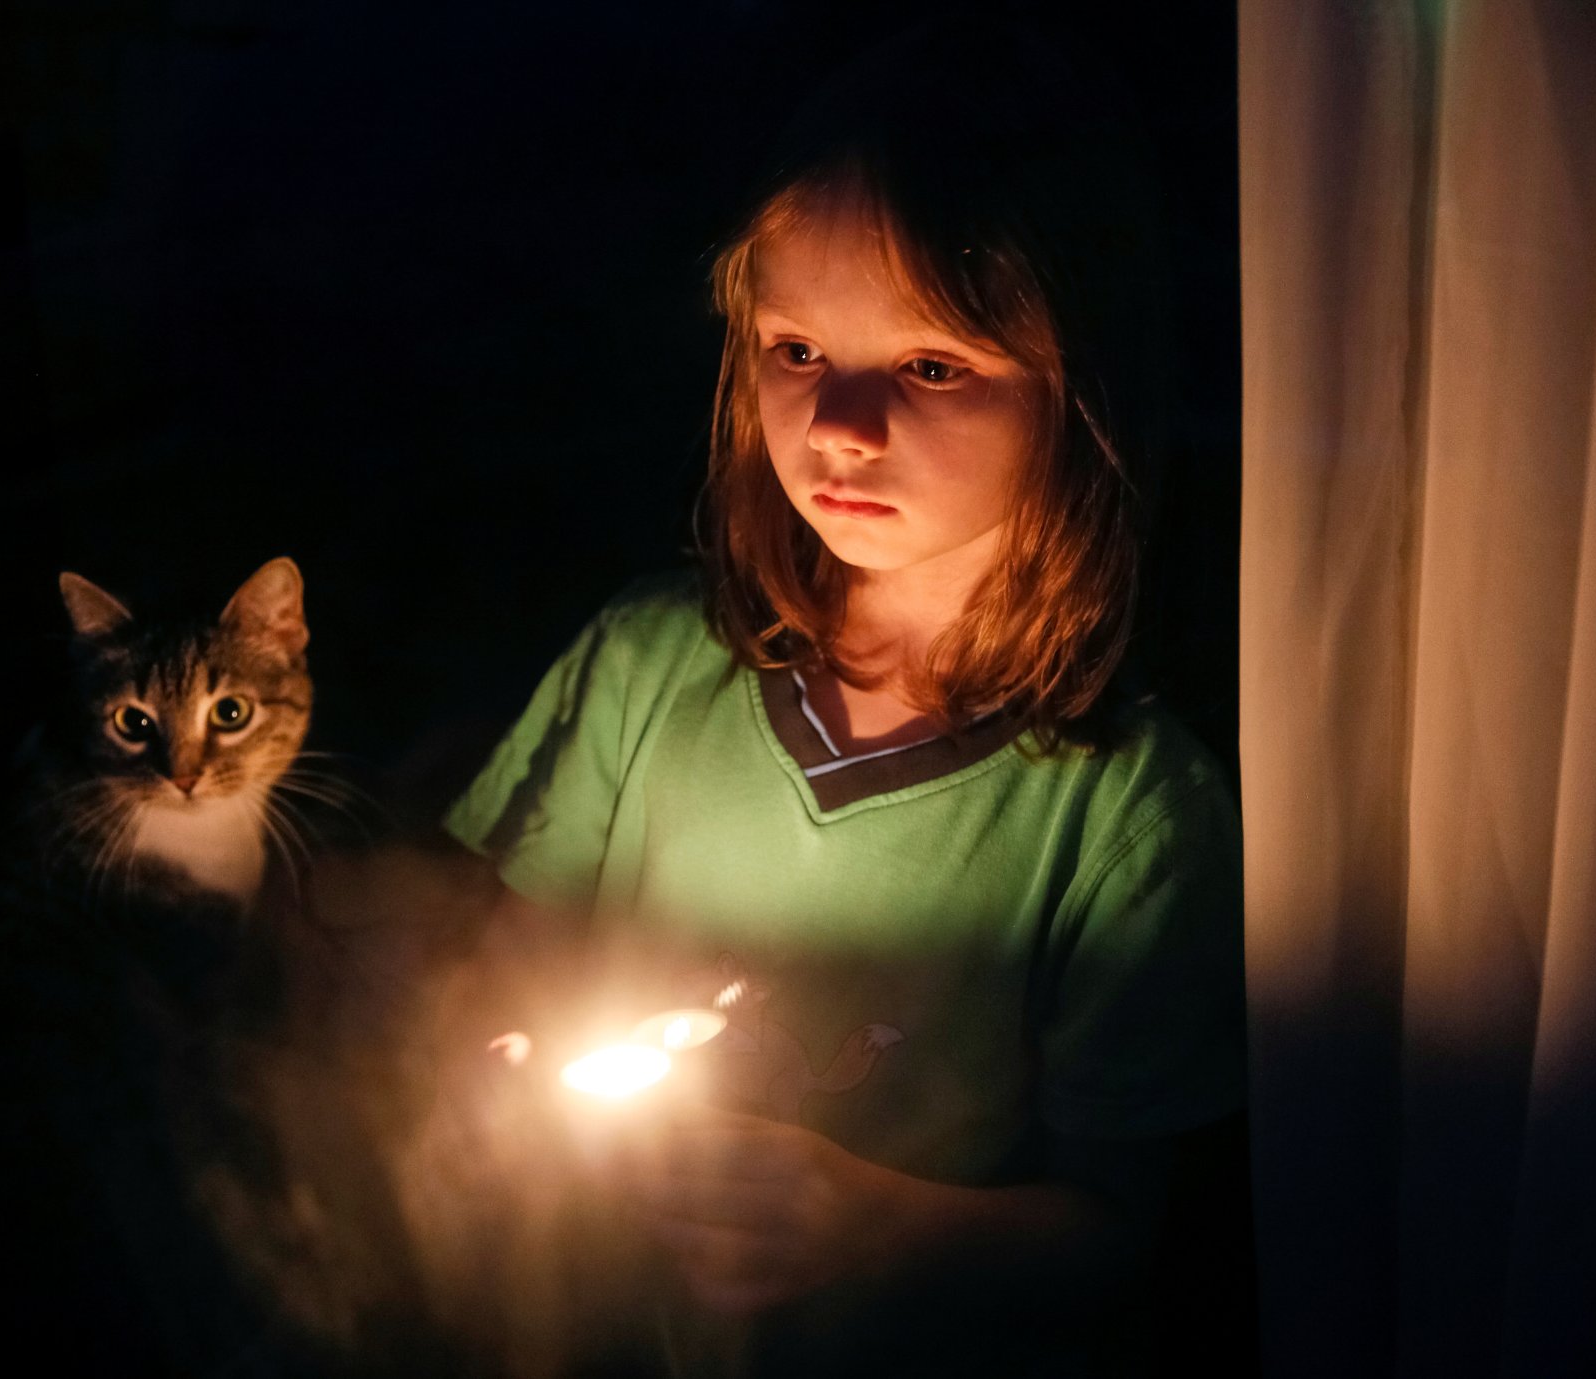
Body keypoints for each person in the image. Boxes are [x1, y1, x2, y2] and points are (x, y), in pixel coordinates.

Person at [442, 23, 1244, 1376]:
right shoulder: (647, 667)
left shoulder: (1133, 816)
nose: (838, 426)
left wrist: (874, 1227)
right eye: (798, 349)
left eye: (932, 367)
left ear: (1082, 392)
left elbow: (1117, 1240)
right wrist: (490, 1055)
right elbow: (490, 971)